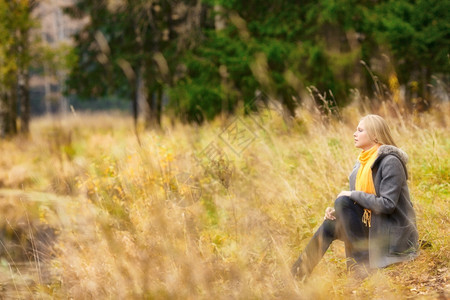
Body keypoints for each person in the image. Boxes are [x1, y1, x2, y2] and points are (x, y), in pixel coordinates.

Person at [291, 114, 419, 280]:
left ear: (374, 135)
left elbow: (387, 205)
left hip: (391, 234)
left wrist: (350, 195)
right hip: (372, 227)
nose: (354, 134)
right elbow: (357, 204)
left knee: (344, 199)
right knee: (331, 222)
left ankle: (362, 270)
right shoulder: (361, 163)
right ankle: (297, 276)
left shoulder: (390, 161)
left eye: (360, 130)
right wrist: (339, 211)